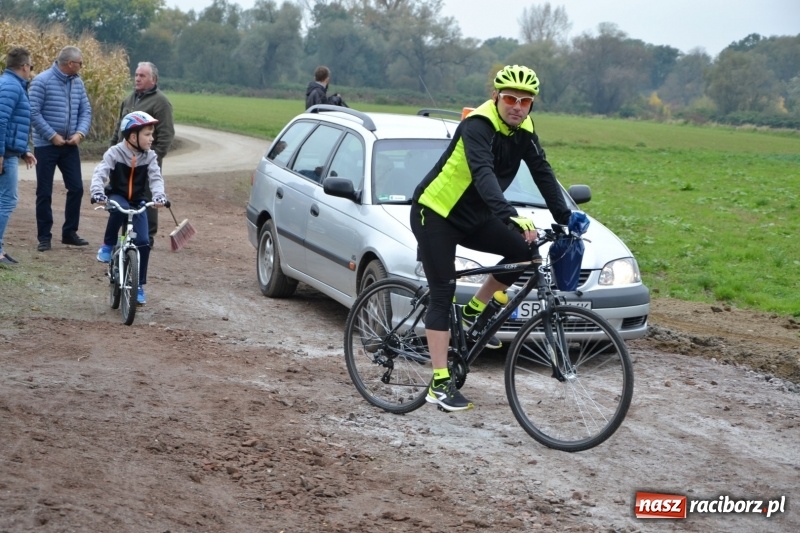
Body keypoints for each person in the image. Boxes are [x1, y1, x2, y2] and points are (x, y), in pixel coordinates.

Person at [410, 64, 576, 412]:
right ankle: (439, 383)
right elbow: (483, 173)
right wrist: (509, 214)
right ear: (496, 97)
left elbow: (542, 172)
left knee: (523, 252)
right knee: (442, 294)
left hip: (475, 216)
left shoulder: (525, 130)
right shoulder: (478, 126)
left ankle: (473, 311)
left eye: (525, 101)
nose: (517, 107)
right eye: (511, 99)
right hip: (436, 213)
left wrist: (566, 217)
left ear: (531, 105)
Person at [90, 111, 167, 305]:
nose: (152, 138)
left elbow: (156, 178)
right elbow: (100, 173)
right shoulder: (115, 153)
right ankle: (108, 245)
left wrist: (159, 196)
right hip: (117, 196)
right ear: (133, 137)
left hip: (138, 200)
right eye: (147, 134)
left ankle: (138, 285)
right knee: (119, 208)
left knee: (143, 241)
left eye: (152, 134)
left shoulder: (150, 156)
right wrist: (97, 193)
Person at [109, 61, 174, 247]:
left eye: (142, 76)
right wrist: (112, 149)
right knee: (124, 196)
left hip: (145, 162)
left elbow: (166, 135)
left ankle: (147, 238)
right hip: (123, 161)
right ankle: (126, 235)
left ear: (153, 79)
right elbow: (119, 128)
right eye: (136, 75)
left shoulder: (161, 102)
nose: (137, 78)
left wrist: (152, 159)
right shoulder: (129, 99)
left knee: (146, 198)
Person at [0, 47, 38, 266]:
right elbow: (1, 120)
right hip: (5, 154)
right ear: (24, 66)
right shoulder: (12, 87)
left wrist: (24, 150)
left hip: (11, 151)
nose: (30, 70)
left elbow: (13, 122)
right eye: (31, 66)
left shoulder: (11, 85)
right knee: (7, 200)